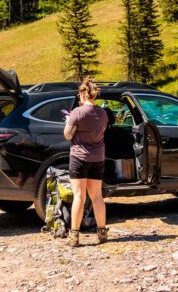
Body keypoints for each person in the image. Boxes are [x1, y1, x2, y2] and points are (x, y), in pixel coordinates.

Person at [63, 76, 110, 246]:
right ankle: (102, 232)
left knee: (79, 196)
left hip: (79, 158)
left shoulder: (77, 112)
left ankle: (74, 236)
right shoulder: (103, 113)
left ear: (83, 94)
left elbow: (67, 135)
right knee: (97, 196)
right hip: (97, 157)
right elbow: (102, 130)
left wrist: (69, 122)